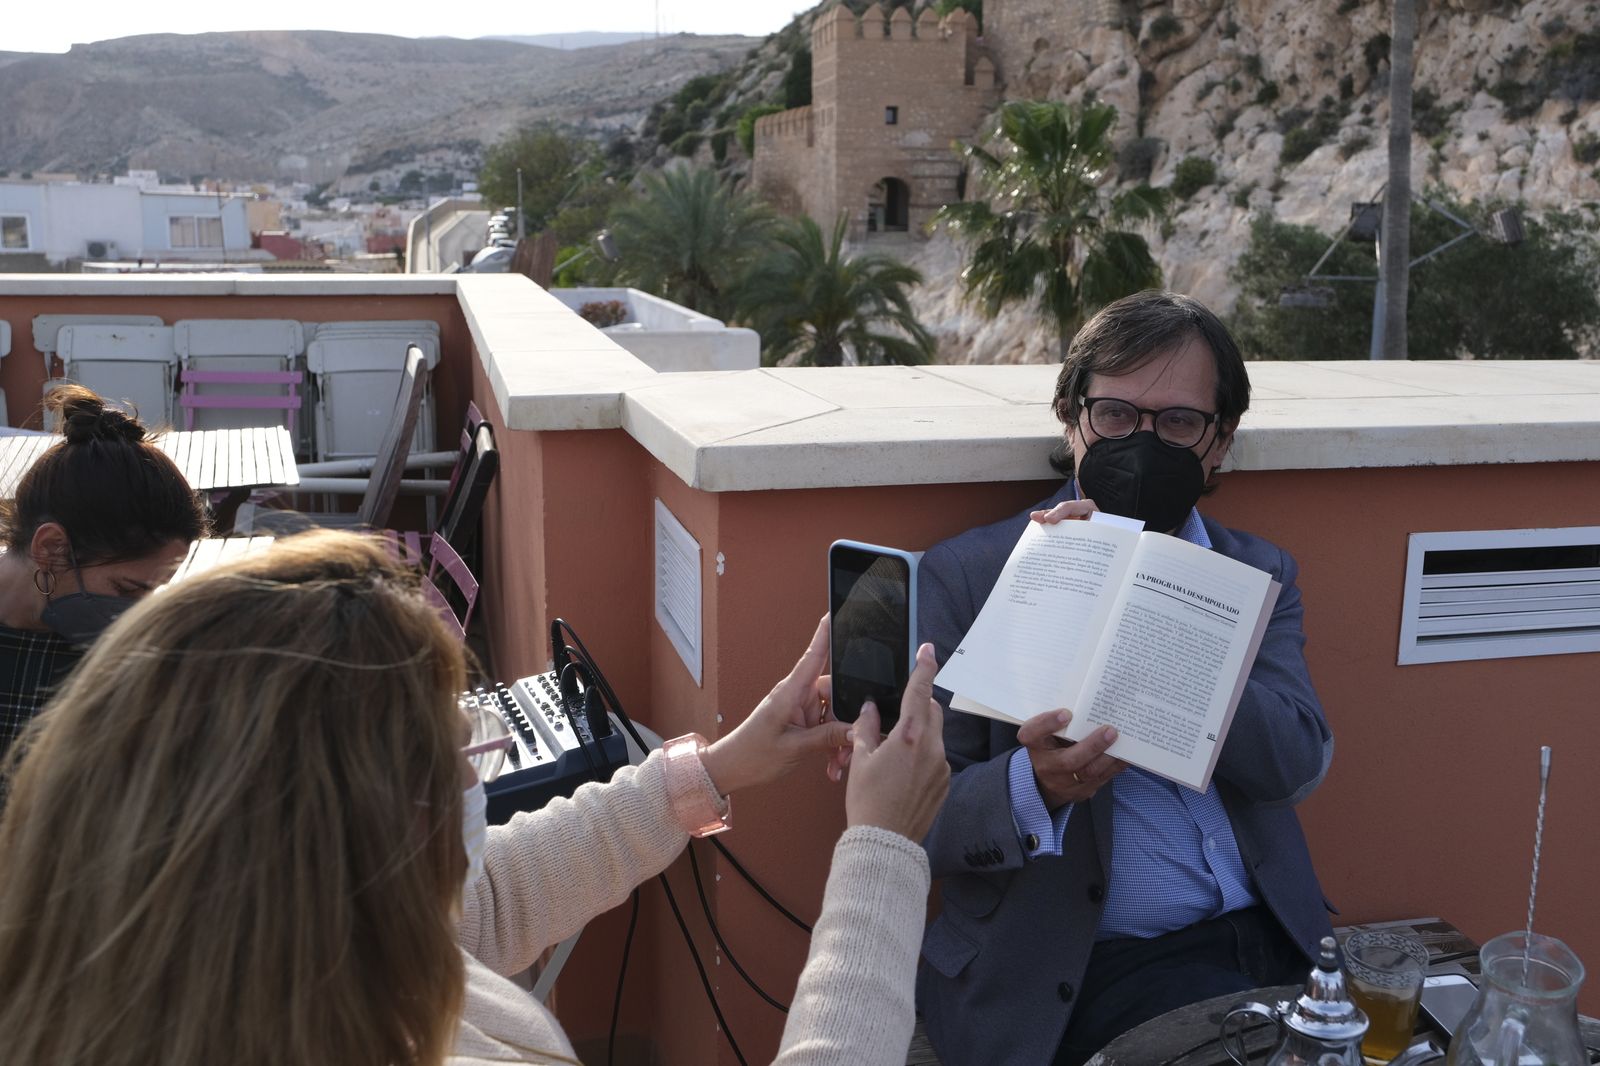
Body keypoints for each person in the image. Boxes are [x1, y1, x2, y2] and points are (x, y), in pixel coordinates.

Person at [0, 530, 950, 1066]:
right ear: (343, 832)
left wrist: (717, 771)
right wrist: (881, 851)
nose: (472, 769)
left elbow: (474, 909)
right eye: (446, 747)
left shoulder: (212, 965)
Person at [916, 290, 1335, 1066]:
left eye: (1177, 423)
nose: (1142, 442)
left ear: (1220, 441)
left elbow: (1296, 765)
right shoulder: (969, 574)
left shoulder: (1257, 573)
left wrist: (1164, 617)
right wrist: (1034, 786)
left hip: (1276, 940)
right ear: (1071, 418)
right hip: (1087, 969)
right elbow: (915, 816)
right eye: (1114, 414)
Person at [0, 384, 206, 761]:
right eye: (127, 589)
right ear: (51, 548)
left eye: (157, 592)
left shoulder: (125, 665)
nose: (140, 616)